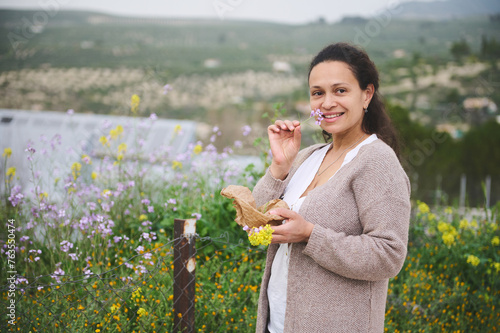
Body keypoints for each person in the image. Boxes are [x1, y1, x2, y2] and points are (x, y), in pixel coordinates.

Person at [251, 42, 411, 333]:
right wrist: (279, 166)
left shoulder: (376, 161)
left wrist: (310, 235)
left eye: (340, 90)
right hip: (278, 324)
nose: (326, 103)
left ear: (367, 94)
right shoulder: (308, 156)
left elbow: (389, 255)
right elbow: (253, 224)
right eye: (317, 93)